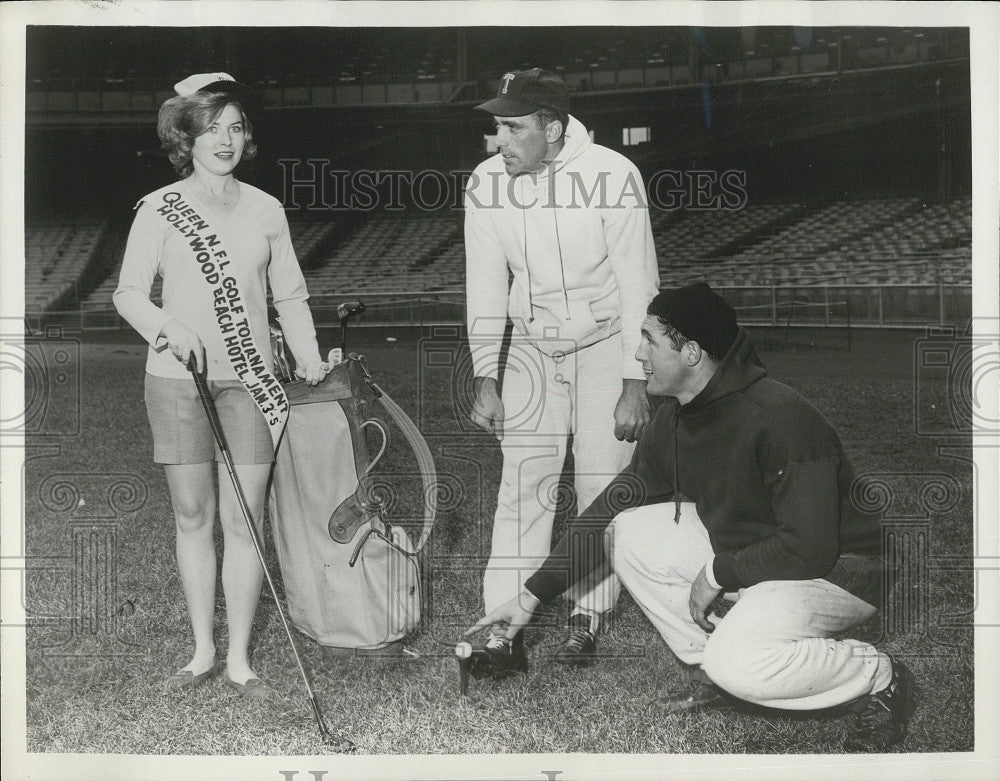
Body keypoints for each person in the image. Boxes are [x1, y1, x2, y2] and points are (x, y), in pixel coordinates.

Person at [467, 282, 916, 752]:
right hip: (765, 557)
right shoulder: (676, 417)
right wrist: (529, 597)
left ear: (692, 353)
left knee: (740, 661)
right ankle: (715, 673)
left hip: (841, 572)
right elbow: (611, 507)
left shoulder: (781, 418)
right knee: (626, 532)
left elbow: (811, 547)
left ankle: (879, 676)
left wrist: (718, 572)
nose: (637, 354)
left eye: (649, 341)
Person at [114, 73, 328, 698]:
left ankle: (239, 658)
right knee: (192, 514)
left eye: (235, 127)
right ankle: (201, 651)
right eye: (210, 128)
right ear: (185, 136)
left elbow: (289, 294)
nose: (225, 140)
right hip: (176, 381)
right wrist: (166, 325)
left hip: (251, 380)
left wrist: (310, 356)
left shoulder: (267, 209)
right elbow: (127, 293)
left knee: (245, 519)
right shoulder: (158, 208)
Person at [464, 68, 660, 665]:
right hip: (530, 345)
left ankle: (588, 613)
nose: (501, 140)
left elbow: (639, 285)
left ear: (552, 128)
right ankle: (503, 622)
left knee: (600, 486)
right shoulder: (485, 182)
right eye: (497, 126)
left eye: (514, 127)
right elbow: (485, 283)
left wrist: (635, 380)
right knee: (523, 483)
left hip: (605, 343)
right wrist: (485, 374)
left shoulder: (612, 174)